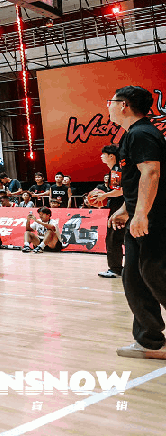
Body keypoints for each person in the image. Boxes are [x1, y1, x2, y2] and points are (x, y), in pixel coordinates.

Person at [106, 86, 166, 359]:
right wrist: (125, 209)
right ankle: (150, 341)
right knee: (134, 279)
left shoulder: (141, 133)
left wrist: (141, 214)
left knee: (154, 275)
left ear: (124, 105)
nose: (108, 106)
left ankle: (150, 339)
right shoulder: (133, 134)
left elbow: (151, 173)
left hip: (154, 220)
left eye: (110, 102)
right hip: (139, 219)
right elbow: (134, 181)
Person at [87, 143, 124, 278]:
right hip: (122, 207)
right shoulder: (117, 168)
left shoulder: (116, 170)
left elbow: (120, 191)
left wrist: (103, 196)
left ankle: (115, 269)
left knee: (113, 239)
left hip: (119, 209)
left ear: (111, 156)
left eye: (103, 154)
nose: (101, 157)